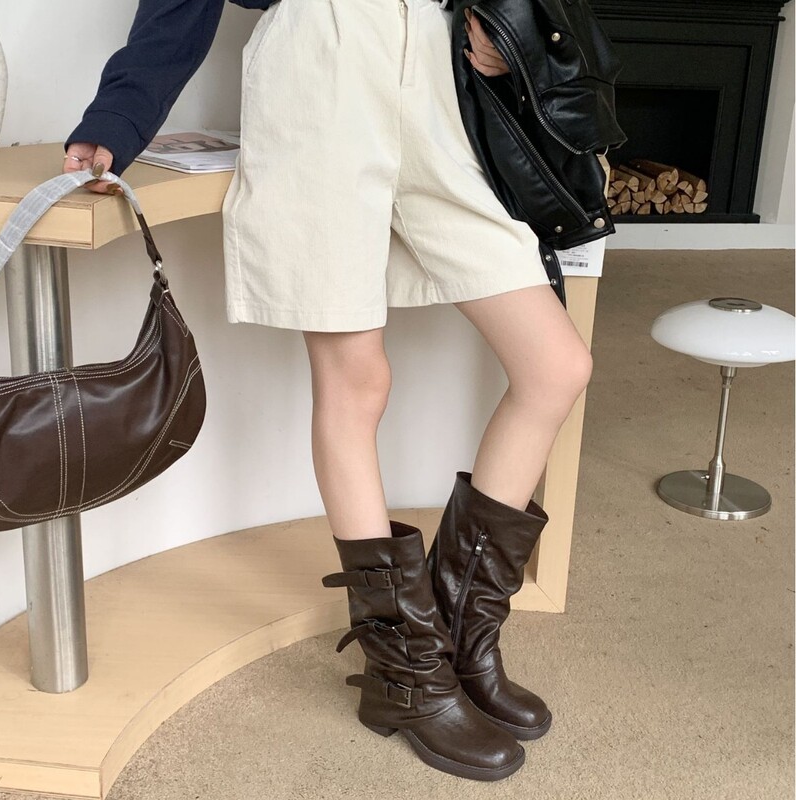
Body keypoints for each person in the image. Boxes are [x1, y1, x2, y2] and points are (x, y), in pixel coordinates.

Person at [63, 0, 593, 782]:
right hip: (322, 66)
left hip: (432, 68)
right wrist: (118, 116)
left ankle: (458, 638)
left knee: (556, 366)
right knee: (357, 380)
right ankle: (406, 675)